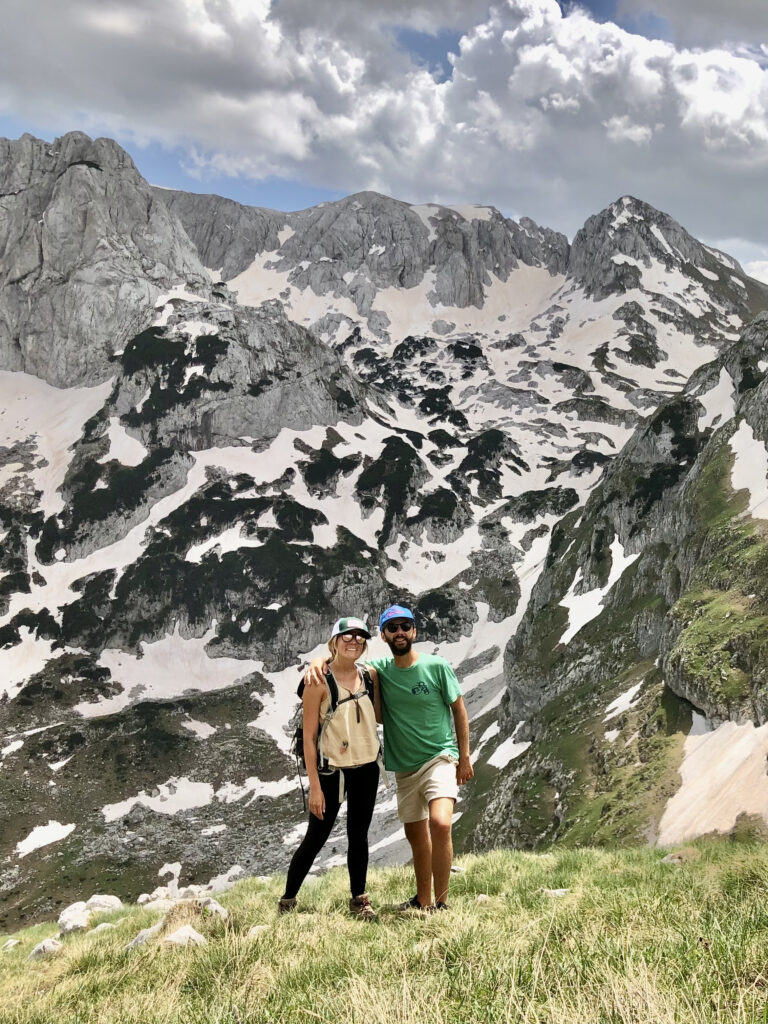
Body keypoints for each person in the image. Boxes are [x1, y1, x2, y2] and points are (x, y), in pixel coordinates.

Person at [306, 604, 473, 912]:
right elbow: (346, 658)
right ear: (383, 635)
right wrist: (319, 660)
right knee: (416, 836)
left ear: (414, 631)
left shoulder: (437, 666)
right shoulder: (378, 669)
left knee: (439, 823)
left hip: (440, 757)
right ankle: (423, 902)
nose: (400, 632)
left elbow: (459, 710)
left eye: (405, 626)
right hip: (404, 768)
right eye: (392, 628)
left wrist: (464, 757)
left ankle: (442, 903)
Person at [279, 616, 381, 920]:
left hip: (366, 767)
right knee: (316, 837)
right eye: (346, 637)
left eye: (359, 637)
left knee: (358, 834)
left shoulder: (370, 674)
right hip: (330, 772)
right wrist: (314, 787)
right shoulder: (317, 682)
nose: (354, 641)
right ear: (334, 642)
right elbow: (309, 739)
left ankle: (359, 899)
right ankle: (287, 900)